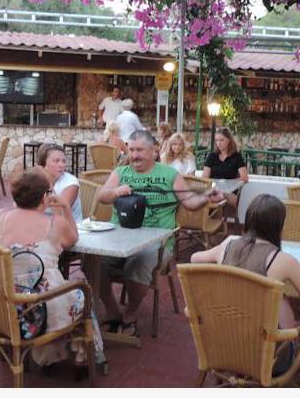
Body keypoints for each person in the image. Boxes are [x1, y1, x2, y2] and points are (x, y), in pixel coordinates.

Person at [96, 129, 225, 335]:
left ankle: (130, 314)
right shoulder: (121, 173)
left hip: (156, 242)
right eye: (131, 150)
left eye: (140, 150)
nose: (134, 155)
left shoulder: (169, 174)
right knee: (92, 260)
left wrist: (206, 198)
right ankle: (112, 310)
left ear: (154, 151)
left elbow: (190, 202)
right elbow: (102, 196)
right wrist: (116, 191)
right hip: (119, 239)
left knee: (139, 261)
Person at [191, 194, 300, 375]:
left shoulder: (228, 245)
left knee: (271, 296)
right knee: (278, 297)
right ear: (279, 225)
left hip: (224, 348)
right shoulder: (283, 261)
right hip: (269, 358)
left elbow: (194, 259)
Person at [0, 167, 104, 367]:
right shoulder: (55, 223)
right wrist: (65, 207)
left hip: (2, 305)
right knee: (83, 291)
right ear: (44, 197)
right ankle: (86, 357)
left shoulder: (1, 217)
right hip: (42, 308)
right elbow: (73, 239)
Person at [202, 127, 248, 207]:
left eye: (222, 140)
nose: (219, 143)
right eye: (217, 140)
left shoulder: (236, 156)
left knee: (221, 195)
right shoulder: (212, 156)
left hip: (230, 192)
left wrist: (228, 183)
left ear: (229, 140)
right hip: (213, 190)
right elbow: (204, 178)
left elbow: (244, 178)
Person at [38, 143, 82, 223]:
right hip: (45, 224)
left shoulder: (71, 183)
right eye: (56, 161)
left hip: (68, 227)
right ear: (44, 165)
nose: (61, 165)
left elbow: (60, 214)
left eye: (63, 161)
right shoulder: (37, 180)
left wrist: (48, 183)